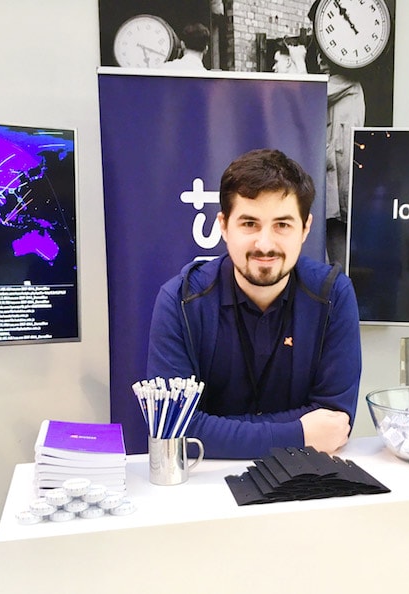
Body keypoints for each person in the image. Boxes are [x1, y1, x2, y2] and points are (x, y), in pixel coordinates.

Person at [146, 148, 362, 459]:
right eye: (249, 223)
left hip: (304, 476)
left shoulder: (333, 295)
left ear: (305, 228)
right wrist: (298, 433)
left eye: (282, 225)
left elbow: (334, 424)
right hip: (204, 478)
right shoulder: (181, 301)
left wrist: (217, 431)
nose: (265, 244)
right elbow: (173, 426)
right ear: (223, 226)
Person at [318, 53, 365, 266]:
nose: (320, 62)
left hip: (340, 174)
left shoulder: (346, 84)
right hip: (335, 173)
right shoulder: (342, 87)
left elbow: (309, 91)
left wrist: (297, 61)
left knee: (337, 227)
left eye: (325, 57)